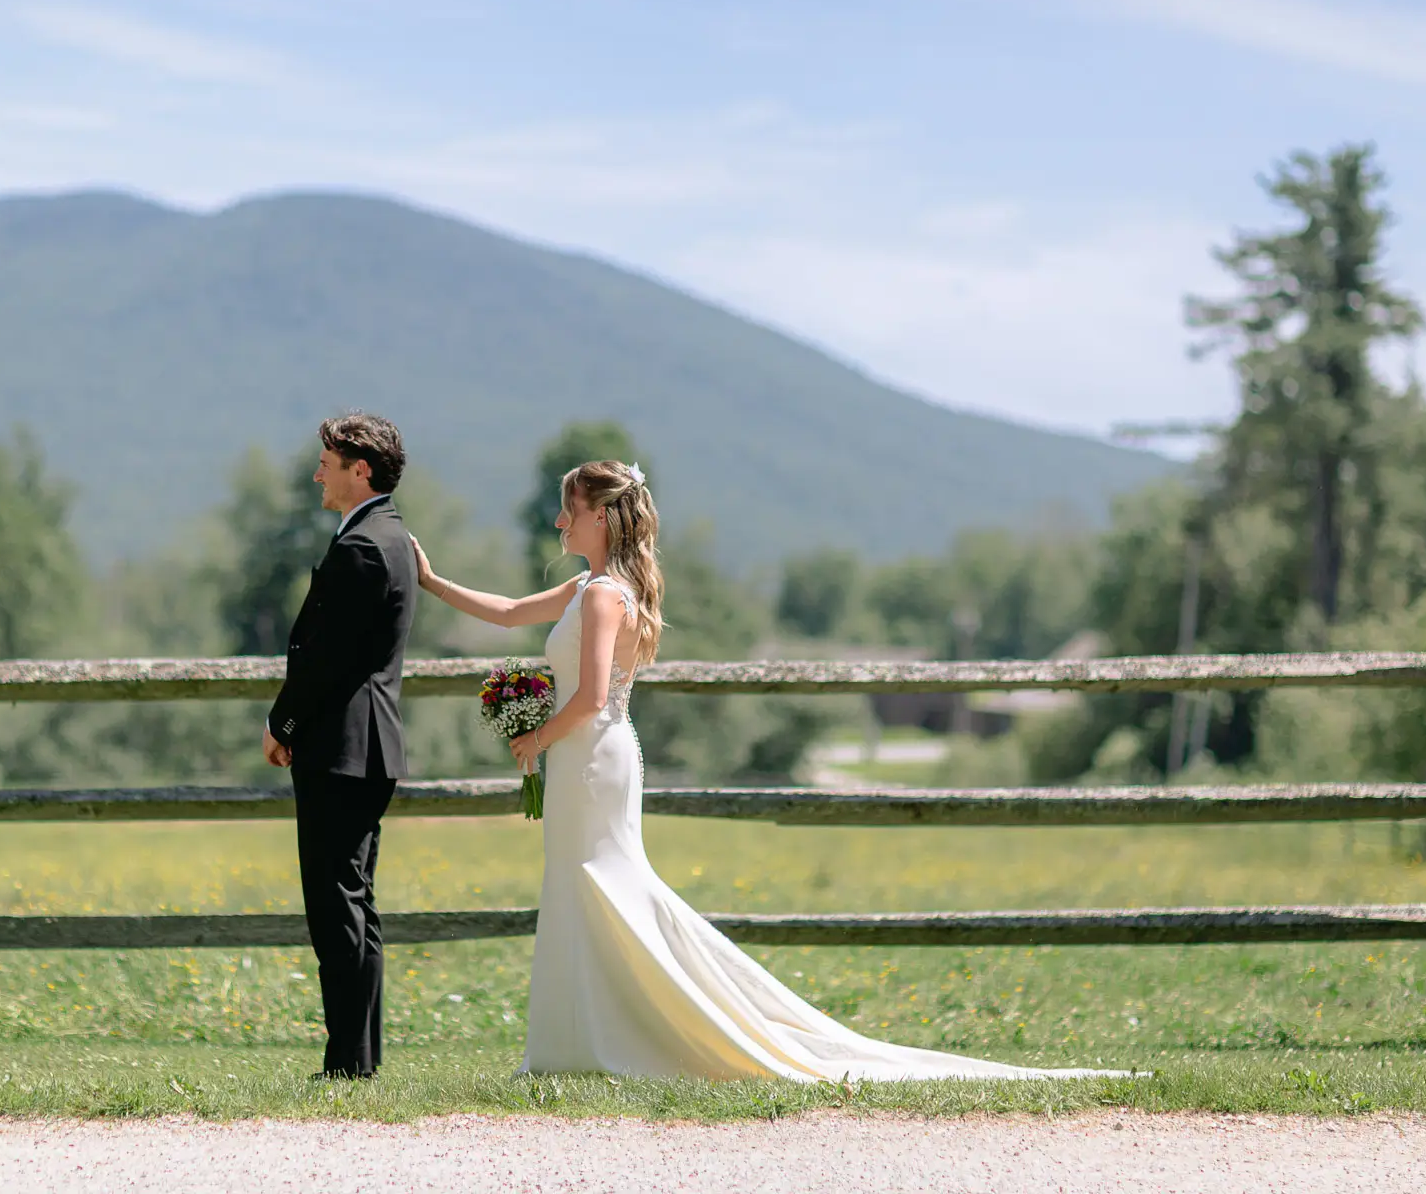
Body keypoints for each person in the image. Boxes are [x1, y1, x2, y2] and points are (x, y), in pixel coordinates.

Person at [413, 459, 1117, 1081]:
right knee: (586, 887)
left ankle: (627, 1035)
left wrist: (536, 737)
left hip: (590, 754)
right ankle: (580, 1042)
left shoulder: (602, 596)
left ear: (600, 516)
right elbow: (507, 613)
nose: (559, 520)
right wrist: (432, 581)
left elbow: (593, 697)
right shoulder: (593, 587)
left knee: (603, 886)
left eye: (569, 508)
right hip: (594, 755)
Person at [263, 412, 416, 1080]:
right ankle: (359, 1061)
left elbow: (327, 660)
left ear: (361, 469)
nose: (317, 471)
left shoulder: (363, 546)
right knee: (355, 904)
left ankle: (348, 1066)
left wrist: (283, 724)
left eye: (327, 460)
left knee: (336, 909)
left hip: (342, 749)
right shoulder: (393, 537)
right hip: (368, 748)